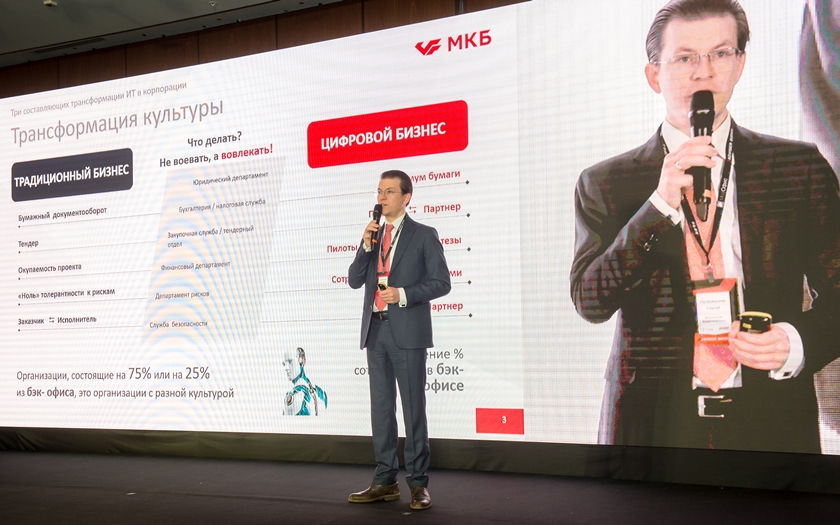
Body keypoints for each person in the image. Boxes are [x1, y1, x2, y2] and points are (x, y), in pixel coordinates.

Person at [571, 0, 840, 453]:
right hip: (653, 422)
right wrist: (658, 206)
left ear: (740, 64)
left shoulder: (798, 167)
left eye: (720, 53)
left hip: (771, 418)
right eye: (685, 58)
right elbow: (590, 300)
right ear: (654, 75)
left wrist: (795, 342)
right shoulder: (606, 182)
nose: (704, 71)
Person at [347, 169, 451, 510]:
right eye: (379, 191)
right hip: (375, 330)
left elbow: (442, 283)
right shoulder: (373, 235)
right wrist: (365, 246)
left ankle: (418, 484)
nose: (382, 197)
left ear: (406, 197)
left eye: (389, 191)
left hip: (407, 331)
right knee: (381, 409)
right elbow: (354, 280)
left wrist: (403, 294)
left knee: (412, 408)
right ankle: (385, 480)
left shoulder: (424, 235)